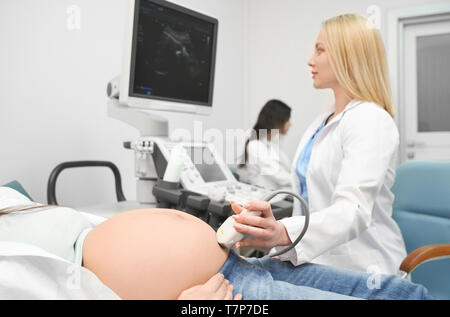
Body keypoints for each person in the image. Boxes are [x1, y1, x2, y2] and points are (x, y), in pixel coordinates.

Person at [0, 186, 433, 300]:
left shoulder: (11, 204)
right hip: (216, 296)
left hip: (239, 267)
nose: (309, 58)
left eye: (320, 49)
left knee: (395, 292)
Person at [231, 13, 408, 275]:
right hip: (313, 257)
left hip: (362, 267)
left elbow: (353, 211)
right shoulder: (321, 123)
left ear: (347, 57)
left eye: (320, 50)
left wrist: (283, 232)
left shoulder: (371, 120)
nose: (310, 60)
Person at [236, 99, 292, 190]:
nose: (290, 124)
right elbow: (277, 174)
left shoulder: (272, 145)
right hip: (264, 199)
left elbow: (289, 170)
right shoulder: (255, 145)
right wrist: (303, 181)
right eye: (288, 119)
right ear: (277, 120)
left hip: (278, 196)